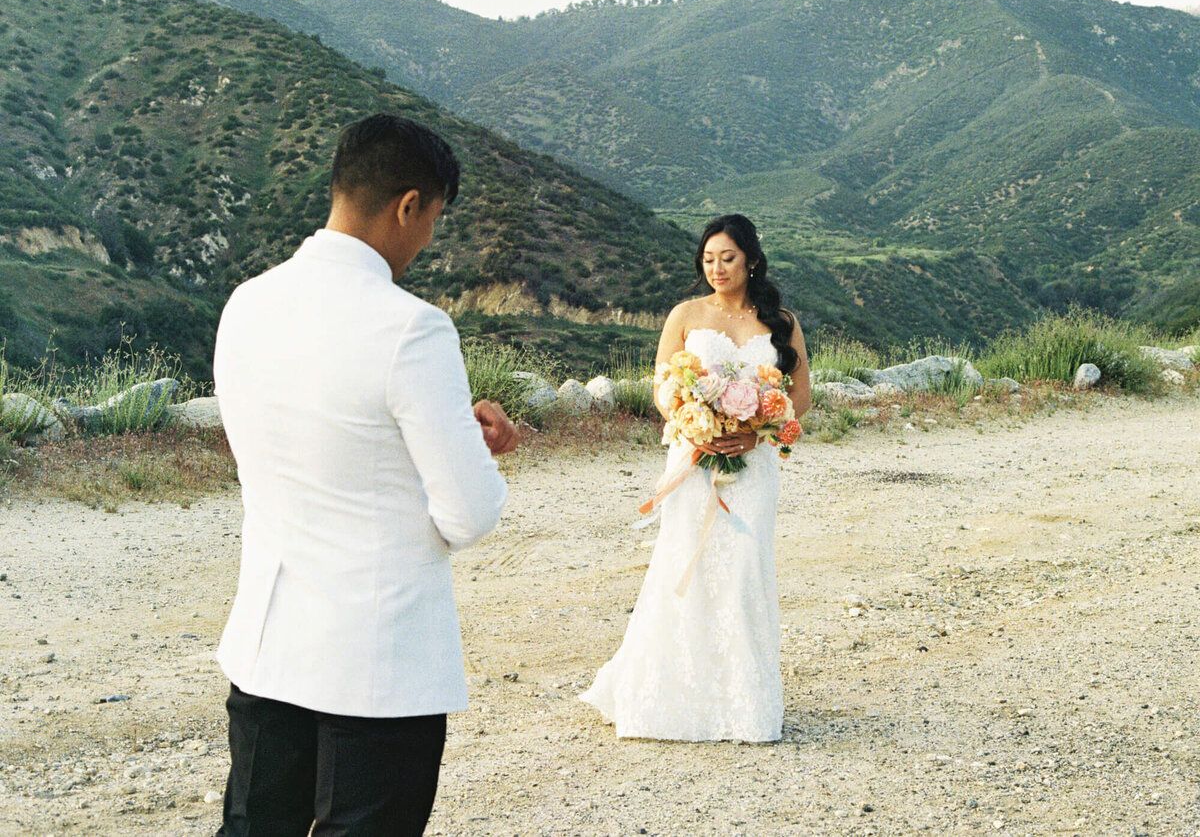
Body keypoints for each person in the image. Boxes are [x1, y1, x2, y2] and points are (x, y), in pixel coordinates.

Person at [212, 113, 518, 836]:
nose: (427, 238)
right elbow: (468, 514)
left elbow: (302, 444)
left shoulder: (246, 301)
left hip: (267, 644)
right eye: (434, 218)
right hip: (375, 664)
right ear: (410, 204)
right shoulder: (411, 327)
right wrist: (469, 451)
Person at [580, 213, 810, 742]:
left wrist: (757, 433)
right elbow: (663, 384)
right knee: (683, 564)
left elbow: (799, 396)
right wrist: (691, 419)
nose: (717, 268)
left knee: (744, 571)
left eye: (727, 258)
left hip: (751, 466)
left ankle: (742, 704)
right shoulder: (684, 314)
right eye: (708, 259)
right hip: (693, 460)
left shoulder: (782, 321)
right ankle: (672, 698)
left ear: (751, 259)